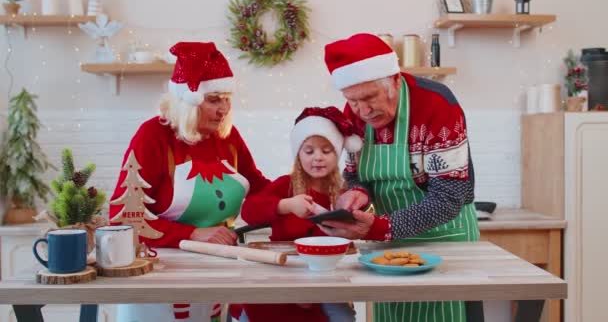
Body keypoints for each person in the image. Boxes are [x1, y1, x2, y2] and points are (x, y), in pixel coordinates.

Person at [319, 33, 481, 322]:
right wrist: (357, 194)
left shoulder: (437, 104)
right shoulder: (354, 112)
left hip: (445, 241)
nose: (363, 111)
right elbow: (356, 175)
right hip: (388, 249)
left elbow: (448, 199)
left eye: (370, 98)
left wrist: (379, 228)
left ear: (394, 80)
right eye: (353, 102)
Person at [108, 41, 271, 322]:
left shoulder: (227, 137)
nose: (223, 109)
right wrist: (192, 233)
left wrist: (300, 191)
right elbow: (124, 219)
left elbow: (259, 187)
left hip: (217, 269)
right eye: (214, 100)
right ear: (189, 99)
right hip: (159, 274)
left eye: (227, 99)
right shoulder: (153, 136)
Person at [236, 106, 362, 322]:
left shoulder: (342, 193)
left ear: (338, 152)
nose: (318, 158)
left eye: (326, 150)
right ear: (298, 154)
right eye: (309, 151)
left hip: (325, 277)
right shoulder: (286, 186)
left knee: (344, 317)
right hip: (283, 271)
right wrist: (285, 205)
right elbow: (249, 211)